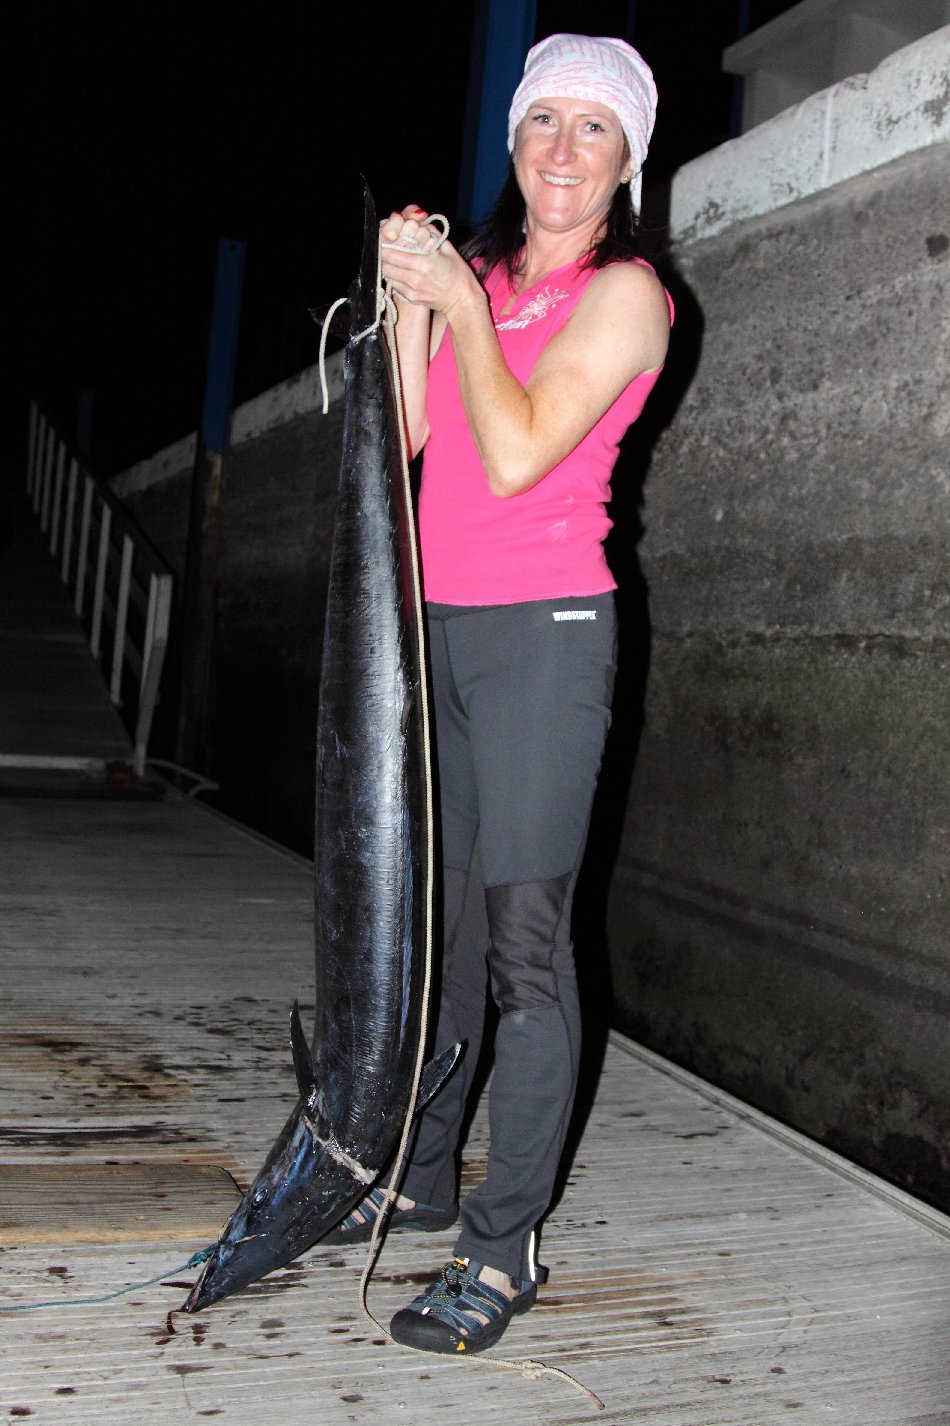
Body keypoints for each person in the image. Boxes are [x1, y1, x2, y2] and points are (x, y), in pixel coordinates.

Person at [327, 33, 672, 1355]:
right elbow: (409, 436)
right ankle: (418, 1174)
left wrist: (465, 311)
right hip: (440, 631)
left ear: (627, 157)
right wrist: (413, 291)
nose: (563, 150)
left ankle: (503, 1239)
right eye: (544, 122)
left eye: (595, 128)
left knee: (527, 944)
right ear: (514, 139)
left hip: (545, 638)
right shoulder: (486, 274)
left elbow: (520, 453)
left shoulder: (626, 294)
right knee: (447, 938)